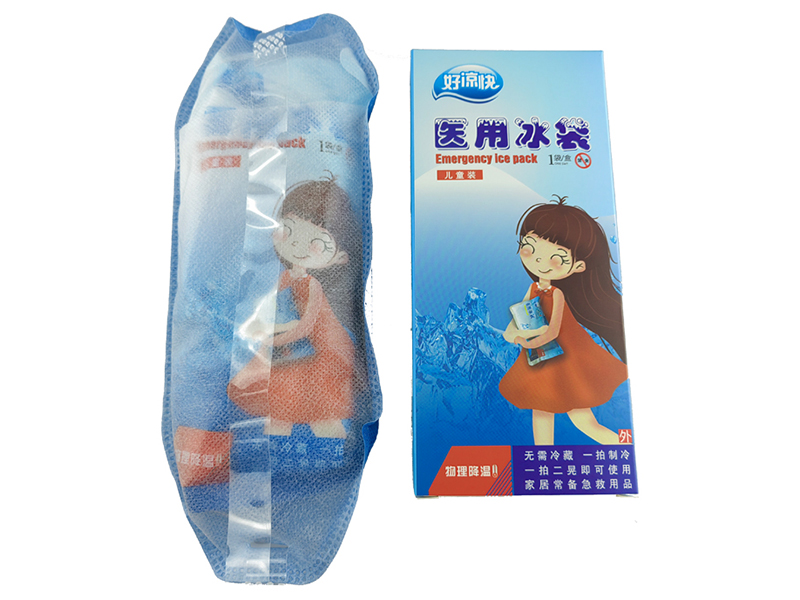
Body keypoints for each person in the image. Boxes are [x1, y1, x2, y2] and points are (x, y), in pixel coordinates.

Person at [227, 175, 362, 439]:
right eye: (289, 230)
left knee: (322, 412)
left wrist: (275, 339)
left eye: (317, 243)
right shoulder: (286, 278)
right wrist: (263, 329)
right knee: (282, 406)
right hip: (295, 350)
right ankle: (277, 450)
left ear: (340, 257)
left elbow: (307, 326)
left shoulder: (313, 285)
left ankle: (330, 451)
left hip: (324, 352)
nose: (298, 246)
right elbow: (270, 307)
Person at [499, 196, 628, 445]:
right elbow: (518, 315)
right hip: (540, 362)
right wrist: (512, 333)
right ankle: (542, 461)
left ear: (578, 266)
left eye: (556, 259)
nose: (539, 262)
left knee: (584, 421)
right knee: (541, 412)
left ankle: (622, 447)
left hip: (563, 365)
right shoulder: (533, 289)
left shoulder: (557, 294)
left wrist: (527, 341)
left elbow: (552, 331)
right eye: (529, 249)